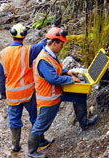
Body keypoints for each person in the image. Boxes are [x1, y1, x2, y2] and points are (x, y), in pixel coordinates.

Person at [27, 27, 99, 158]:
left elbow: (57, 68)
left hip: (57, 93)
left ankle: (84, 122)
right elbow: (52, 78)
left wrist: (66, 72)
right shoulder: (43, 59)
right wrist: (70, 79)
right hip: (48, 98)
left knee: (79, 95)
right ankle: (32, 152)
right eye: (61, 44)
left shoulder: (51, 55)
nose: (62, 46)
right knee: (41, 124)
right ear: (54, 43)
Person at [0, 23, 53, 153]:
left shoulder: (2, 54)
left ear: (12, 35)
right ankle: (40, 141)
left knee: (14, 120)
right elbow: (43, 44)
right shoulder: (28, 51)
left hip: (12, 95)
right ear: (24, 36)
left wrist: (2, 92)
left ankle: (15, 146)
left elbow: (1, 77)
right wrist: (52, 30)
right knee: (35, 117)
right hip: (28, 93)